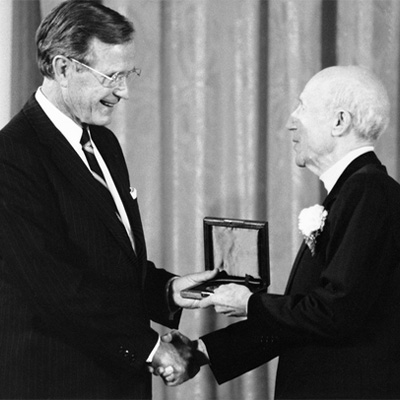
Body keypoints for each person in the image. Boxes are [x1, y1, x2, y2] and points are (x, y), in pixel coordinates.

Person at [0, 1, 217, 398]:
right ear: (64, 68)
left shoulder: (104, 143)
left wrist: (165, 290)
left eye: (128, 74)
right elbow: (59, 290)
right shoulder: (12, 157)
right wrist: (152, 349)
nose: (124, 91)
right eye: (112, 76)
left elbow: (104, 261)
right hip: (57, 385)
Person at [157, 66, 400, 399]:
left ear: (339, 122)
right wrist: (201, 351)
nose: (290, 121)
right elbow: (304, 320)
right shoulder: (355, 191)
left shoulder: (369, 192)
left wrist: (251, 303)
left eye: (303, 107)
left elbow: (333, 313)